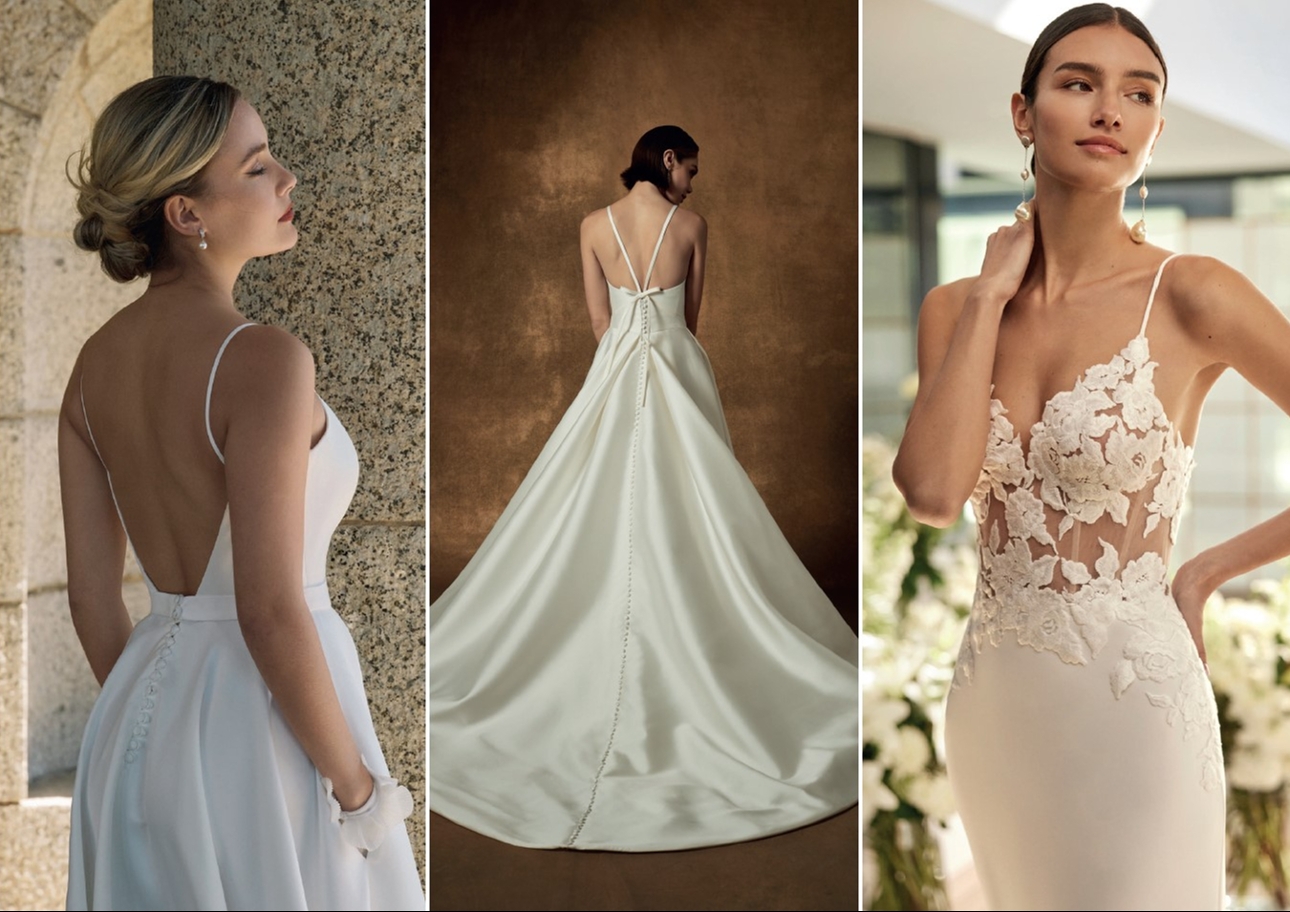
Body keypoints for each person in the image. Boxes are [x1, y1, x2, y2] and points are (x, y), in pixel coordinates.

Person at [886, 3, 1290, 906]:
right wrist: (993, 291)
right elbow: (933, 494)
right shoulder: (957, 307)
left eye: (1138, 93)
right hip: (995, 704)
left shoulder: (1192, 293)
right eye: (1080, 84)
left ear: (1153, 128)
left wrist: (1203, 574)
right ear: (1024, 114)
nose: (1112, 110)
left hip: (1134, 703)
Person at [428, 125, 858, 851]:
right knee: (693, 502)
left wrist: (624, 361)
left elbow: (600, 321)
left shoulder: (593, 225)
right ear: (668, 160)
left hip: (616, 365)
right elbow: (689, 322)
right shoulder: (691, 226)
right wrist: (662, 351)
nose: (694, 181)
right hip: (676, 368)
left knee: (591, 495)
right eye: (691, 166)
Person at [59, 76, 423, 909]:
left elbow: (90, 598)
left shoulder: (91, 370)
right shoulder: (264, 359)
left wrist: (163, 720)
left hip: (134, 734)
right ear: (189, 214)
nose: (288, 179)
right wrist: (359, 791)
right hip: (271, 731)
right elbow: (266, 607)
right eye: (258, 167)